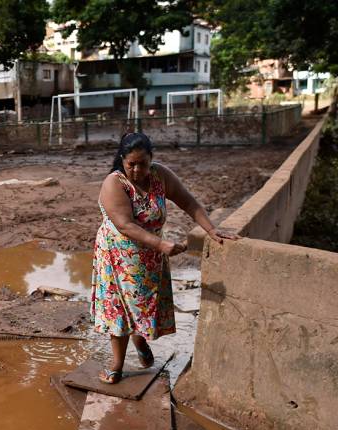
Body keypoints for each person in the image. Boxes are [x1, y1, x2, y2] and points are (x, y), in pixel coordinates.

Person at [92, 132, 238, 383]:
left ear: (151, 160)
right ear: (122, 160)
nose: (137, 170)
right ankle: (116, 365)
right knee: (120, 311)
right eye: (131, 165)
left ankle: (139, 340)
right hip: (117, 257)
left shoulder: (160, 176)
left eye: (143, 164)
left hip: (149, 258)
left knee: (142, 305)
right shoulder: (114, 183)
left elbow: (189, 203)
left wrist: (211, 230)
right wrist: (161, 244)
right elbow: (125, 225)